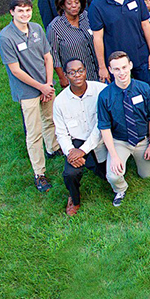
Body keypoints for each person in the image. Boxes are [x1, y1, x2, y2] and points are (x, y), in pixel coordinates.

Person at [0, 0, 60, 192]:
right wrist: (40, 87)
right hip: (27, 91)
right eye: (20, 11)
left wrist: (48, 84)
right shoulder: (5, 37)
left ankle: (53, 149)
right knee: (34, 132)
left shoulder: (37, 28)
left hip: (45, 84)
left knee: (51, 119)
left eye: (27, 10)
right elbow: (15, 70)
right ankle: (39, 173)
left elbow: (47, 57)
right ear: (12, 12)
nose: (25, 14)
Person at [97, 51, 150, 207]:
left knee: (148, 175)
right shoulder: (105, 96)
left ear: (130, 66)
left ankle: (139, 159)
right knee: (113, 176)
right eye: (116, 69)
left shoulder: (143, 88)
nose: (121, 72)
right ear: (110, 70)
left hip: (142, 140)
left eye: (124, 67)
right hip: (120, 141)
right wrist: (114, 155)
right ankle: (120, 189)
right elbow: (104, 128)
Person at [52, 59, 108, 215]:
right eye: (72, 72)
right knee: (70, 174)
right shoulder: (60, 102)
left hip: (102, 138)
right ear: (66, 75)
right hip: (77, 142)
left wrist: (82, 152)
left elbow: (101, 126)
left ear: (85, 71)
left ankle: (96, 166)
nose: (77, 75)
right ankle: (74, 199)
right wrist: (71, 153)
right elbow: (61, 132)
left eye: (80, 70)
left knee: (108, 175)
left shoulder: (100, 90)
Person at [89, 0, 150, 86]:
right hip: (116, 61)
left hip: (140, 55)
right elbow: (97, 38)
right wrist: (102, 67)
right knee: (120, 96)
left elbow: (145, 24)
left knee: (145, 90)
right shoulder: (97, 5)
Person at [47, 0, 98, 87]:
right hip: (76, 77)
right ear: (62, 6)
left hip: (97, 71)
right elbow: (54, 55)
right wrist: (62, 77)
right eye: (69, 3)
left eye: (76, 2)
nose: (74, 6)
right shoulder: (55, 27)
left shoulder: (87, 16)